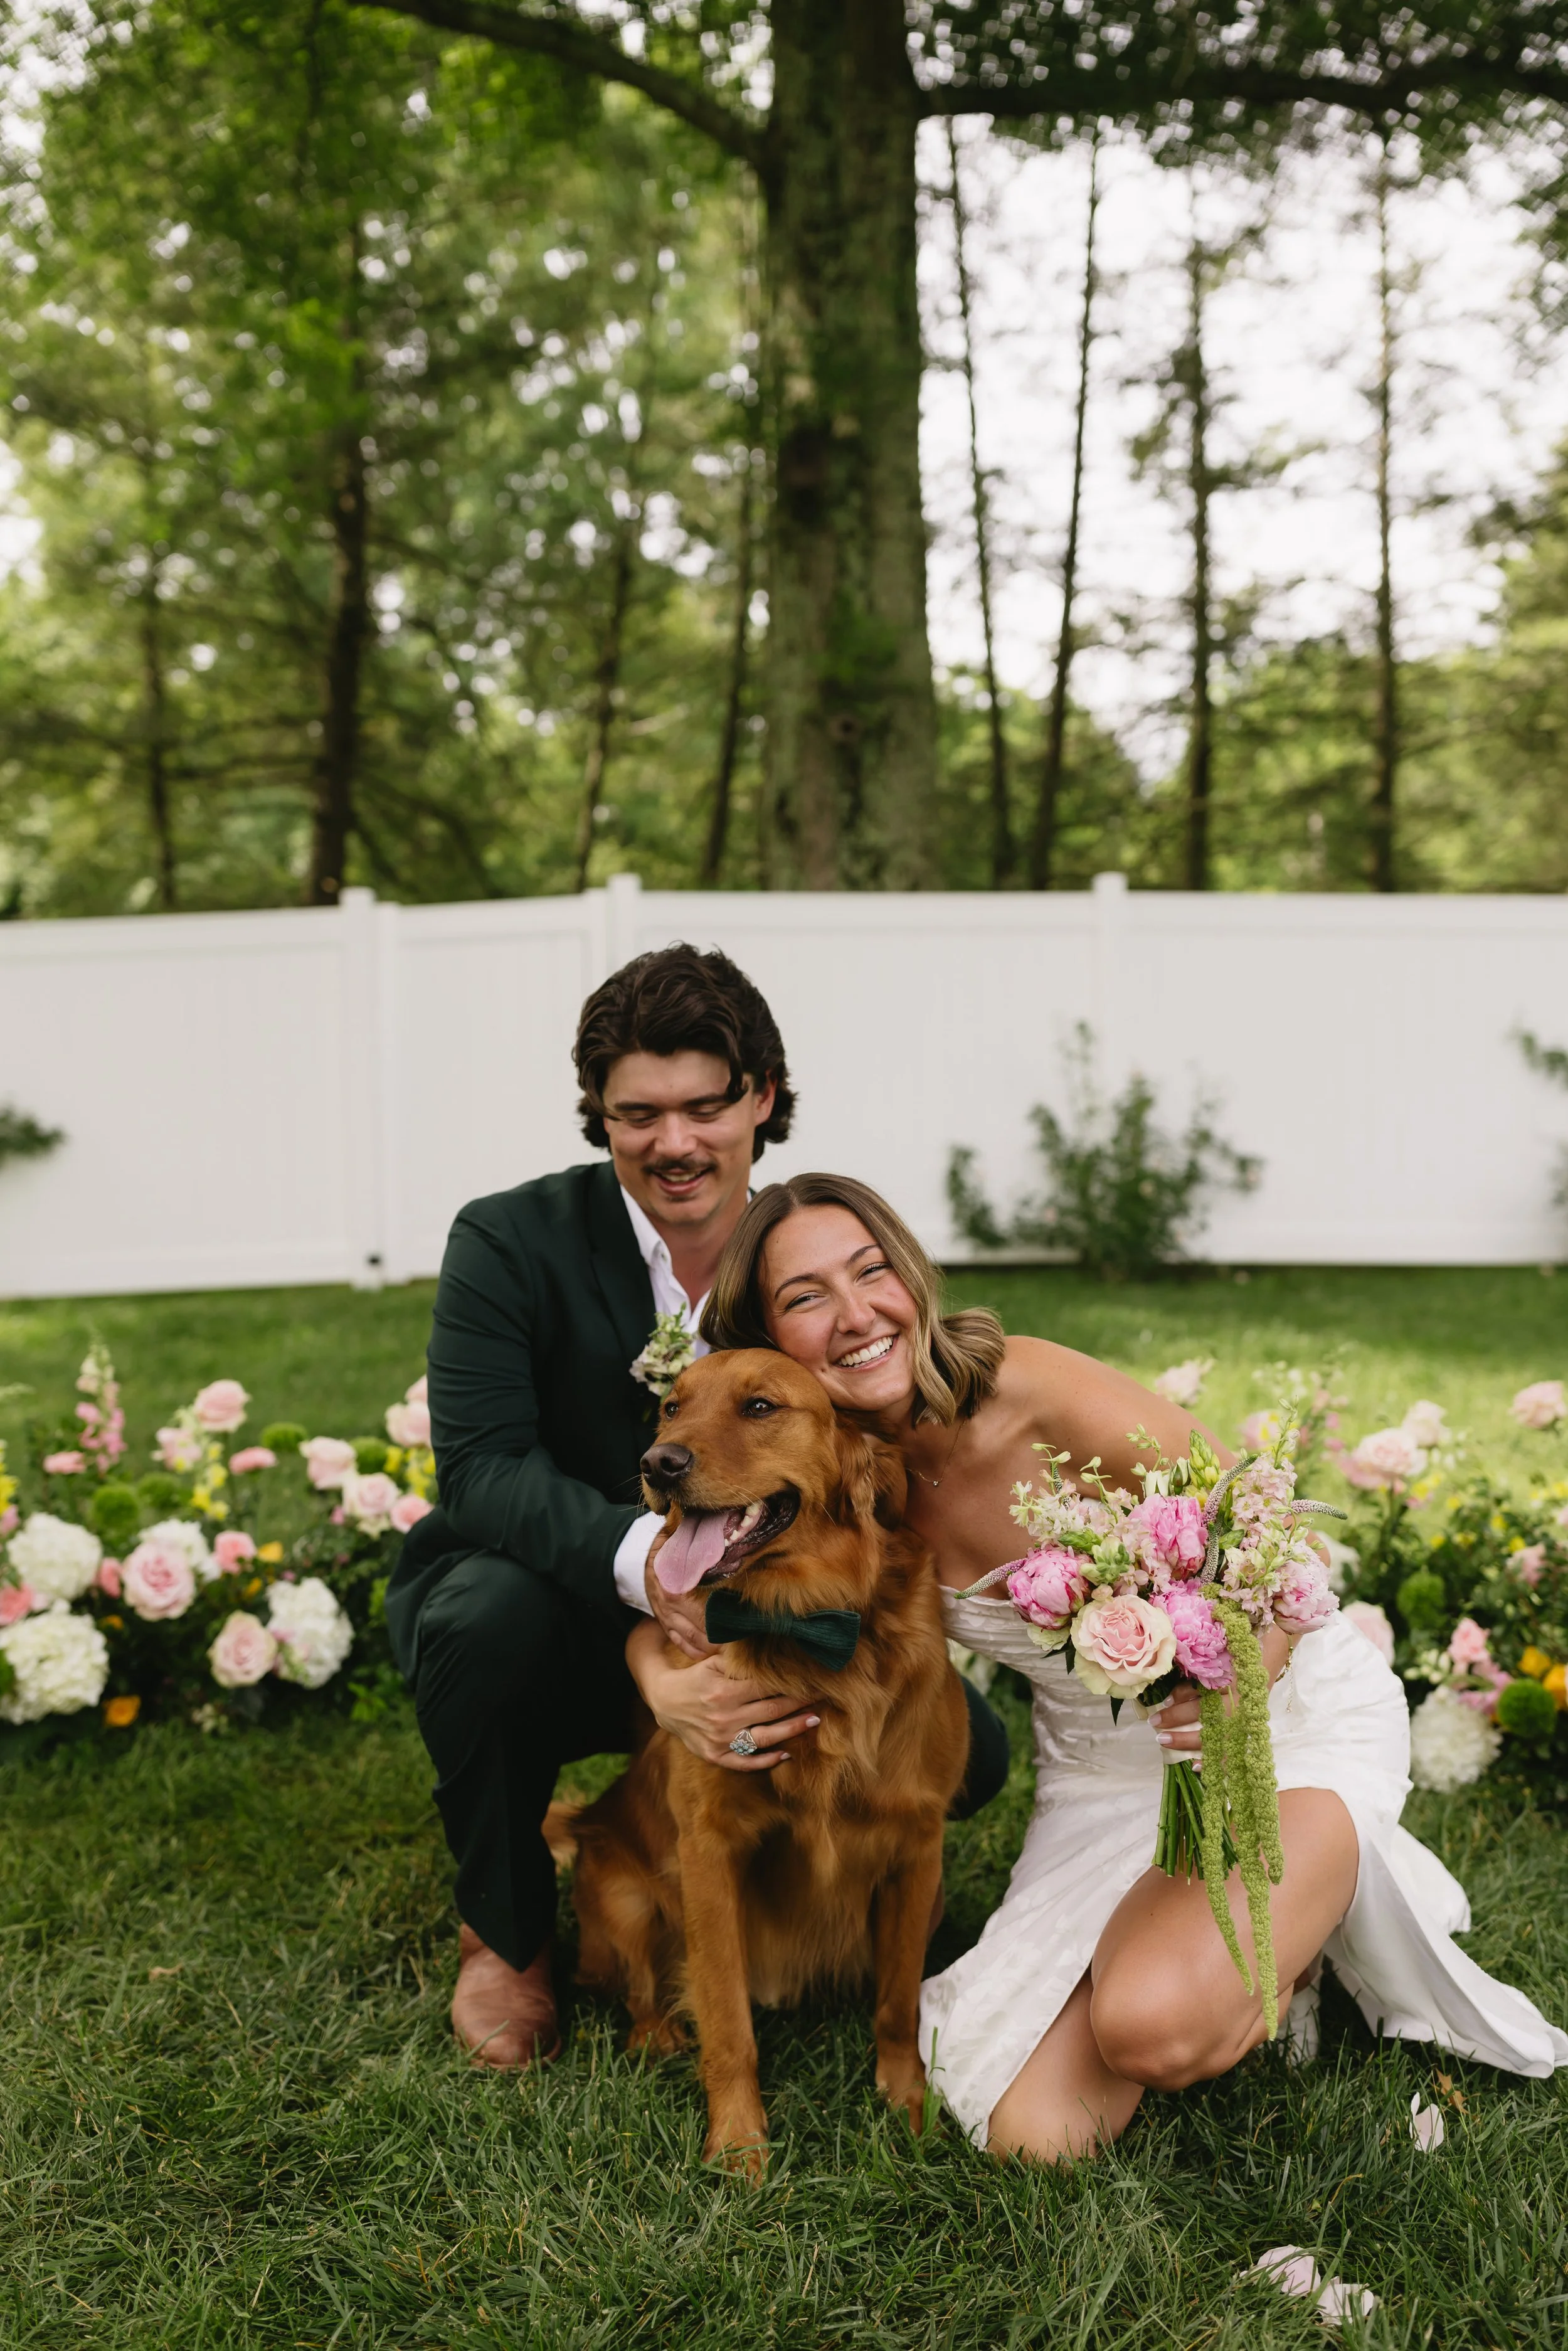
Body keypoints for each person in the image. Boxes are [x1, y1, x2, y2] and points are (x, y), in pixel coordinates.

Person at [700, 1170, 1568, 2160]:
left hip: (1273, 1716)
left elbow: (1272, 1525)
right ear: (764, 1339)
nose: (857, 1314)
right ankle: (1276, 1940)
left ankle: (1324, 1857)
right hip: (1103, 1772)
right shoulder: (822, 1487)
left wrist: (1251, 1674)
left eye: (871, 1271)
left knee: (1152, 2022)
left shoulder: (1026, 1390)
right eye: (806, 1297)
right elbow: (690, 1577)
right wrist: (670, 1672)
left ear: (912, 1276)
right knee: (1038, 2135)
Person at [386, 950, 1010, 2069]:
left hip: (777, 1605)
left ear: (762, 1096)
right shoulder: (506, 1241)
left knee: (975, 1755)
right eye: (638, 1114)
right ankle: (511, 1935)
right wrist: (654, 1612)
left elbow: (874, 1414)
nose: (673, 1143)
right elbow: (480, 1471)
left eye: (704, 1106)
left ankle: (811, 1894)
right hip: (557, 1609)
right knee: (480, 1618)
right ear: (600, 1116)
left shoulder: (802, 1250)